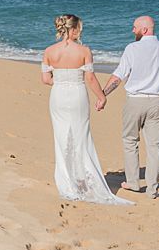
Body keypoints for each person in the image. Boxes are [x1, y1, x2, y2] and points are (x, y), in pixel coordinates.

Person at [40, 14, 132, 205]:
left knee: (61, 136)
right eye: (79, 29)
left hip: (57, 97)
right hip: (77, 96)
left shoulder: (49, 51)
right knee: (81, 136)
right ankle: (82, 179)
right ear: (72, 30)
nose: (80, 33)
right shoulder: (84, 51)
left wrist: (62, 82)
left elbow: (46, 79)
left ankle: (67, 181)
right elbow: (90, 79)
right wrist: (102, 96)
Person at [100, 15, 159, 199]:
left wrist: (102, 95)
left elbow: (119, 75)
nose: (132, 30)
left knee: (130, 141)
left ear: (144, 29)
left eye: (135, 27)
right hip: (157, 100)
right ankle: (152, 188)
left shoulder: (132, 48)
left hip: (135, 100)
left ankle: (133, 182)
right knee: (155, 146)